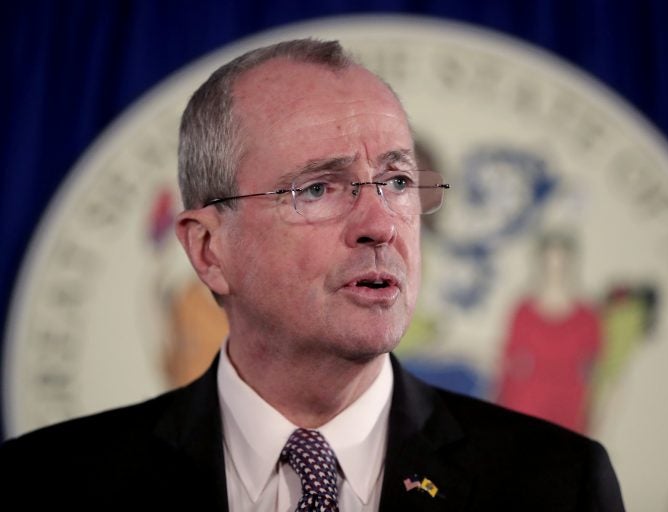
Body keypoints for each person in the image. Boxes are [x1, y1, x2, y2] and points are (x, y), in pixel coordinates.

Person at [0, 39, 625, 511]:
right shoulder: (50, 484)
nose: (380, 223)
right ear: (209, 250)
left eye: (398, 182)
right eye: (321, 187)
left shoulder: (557, 485)